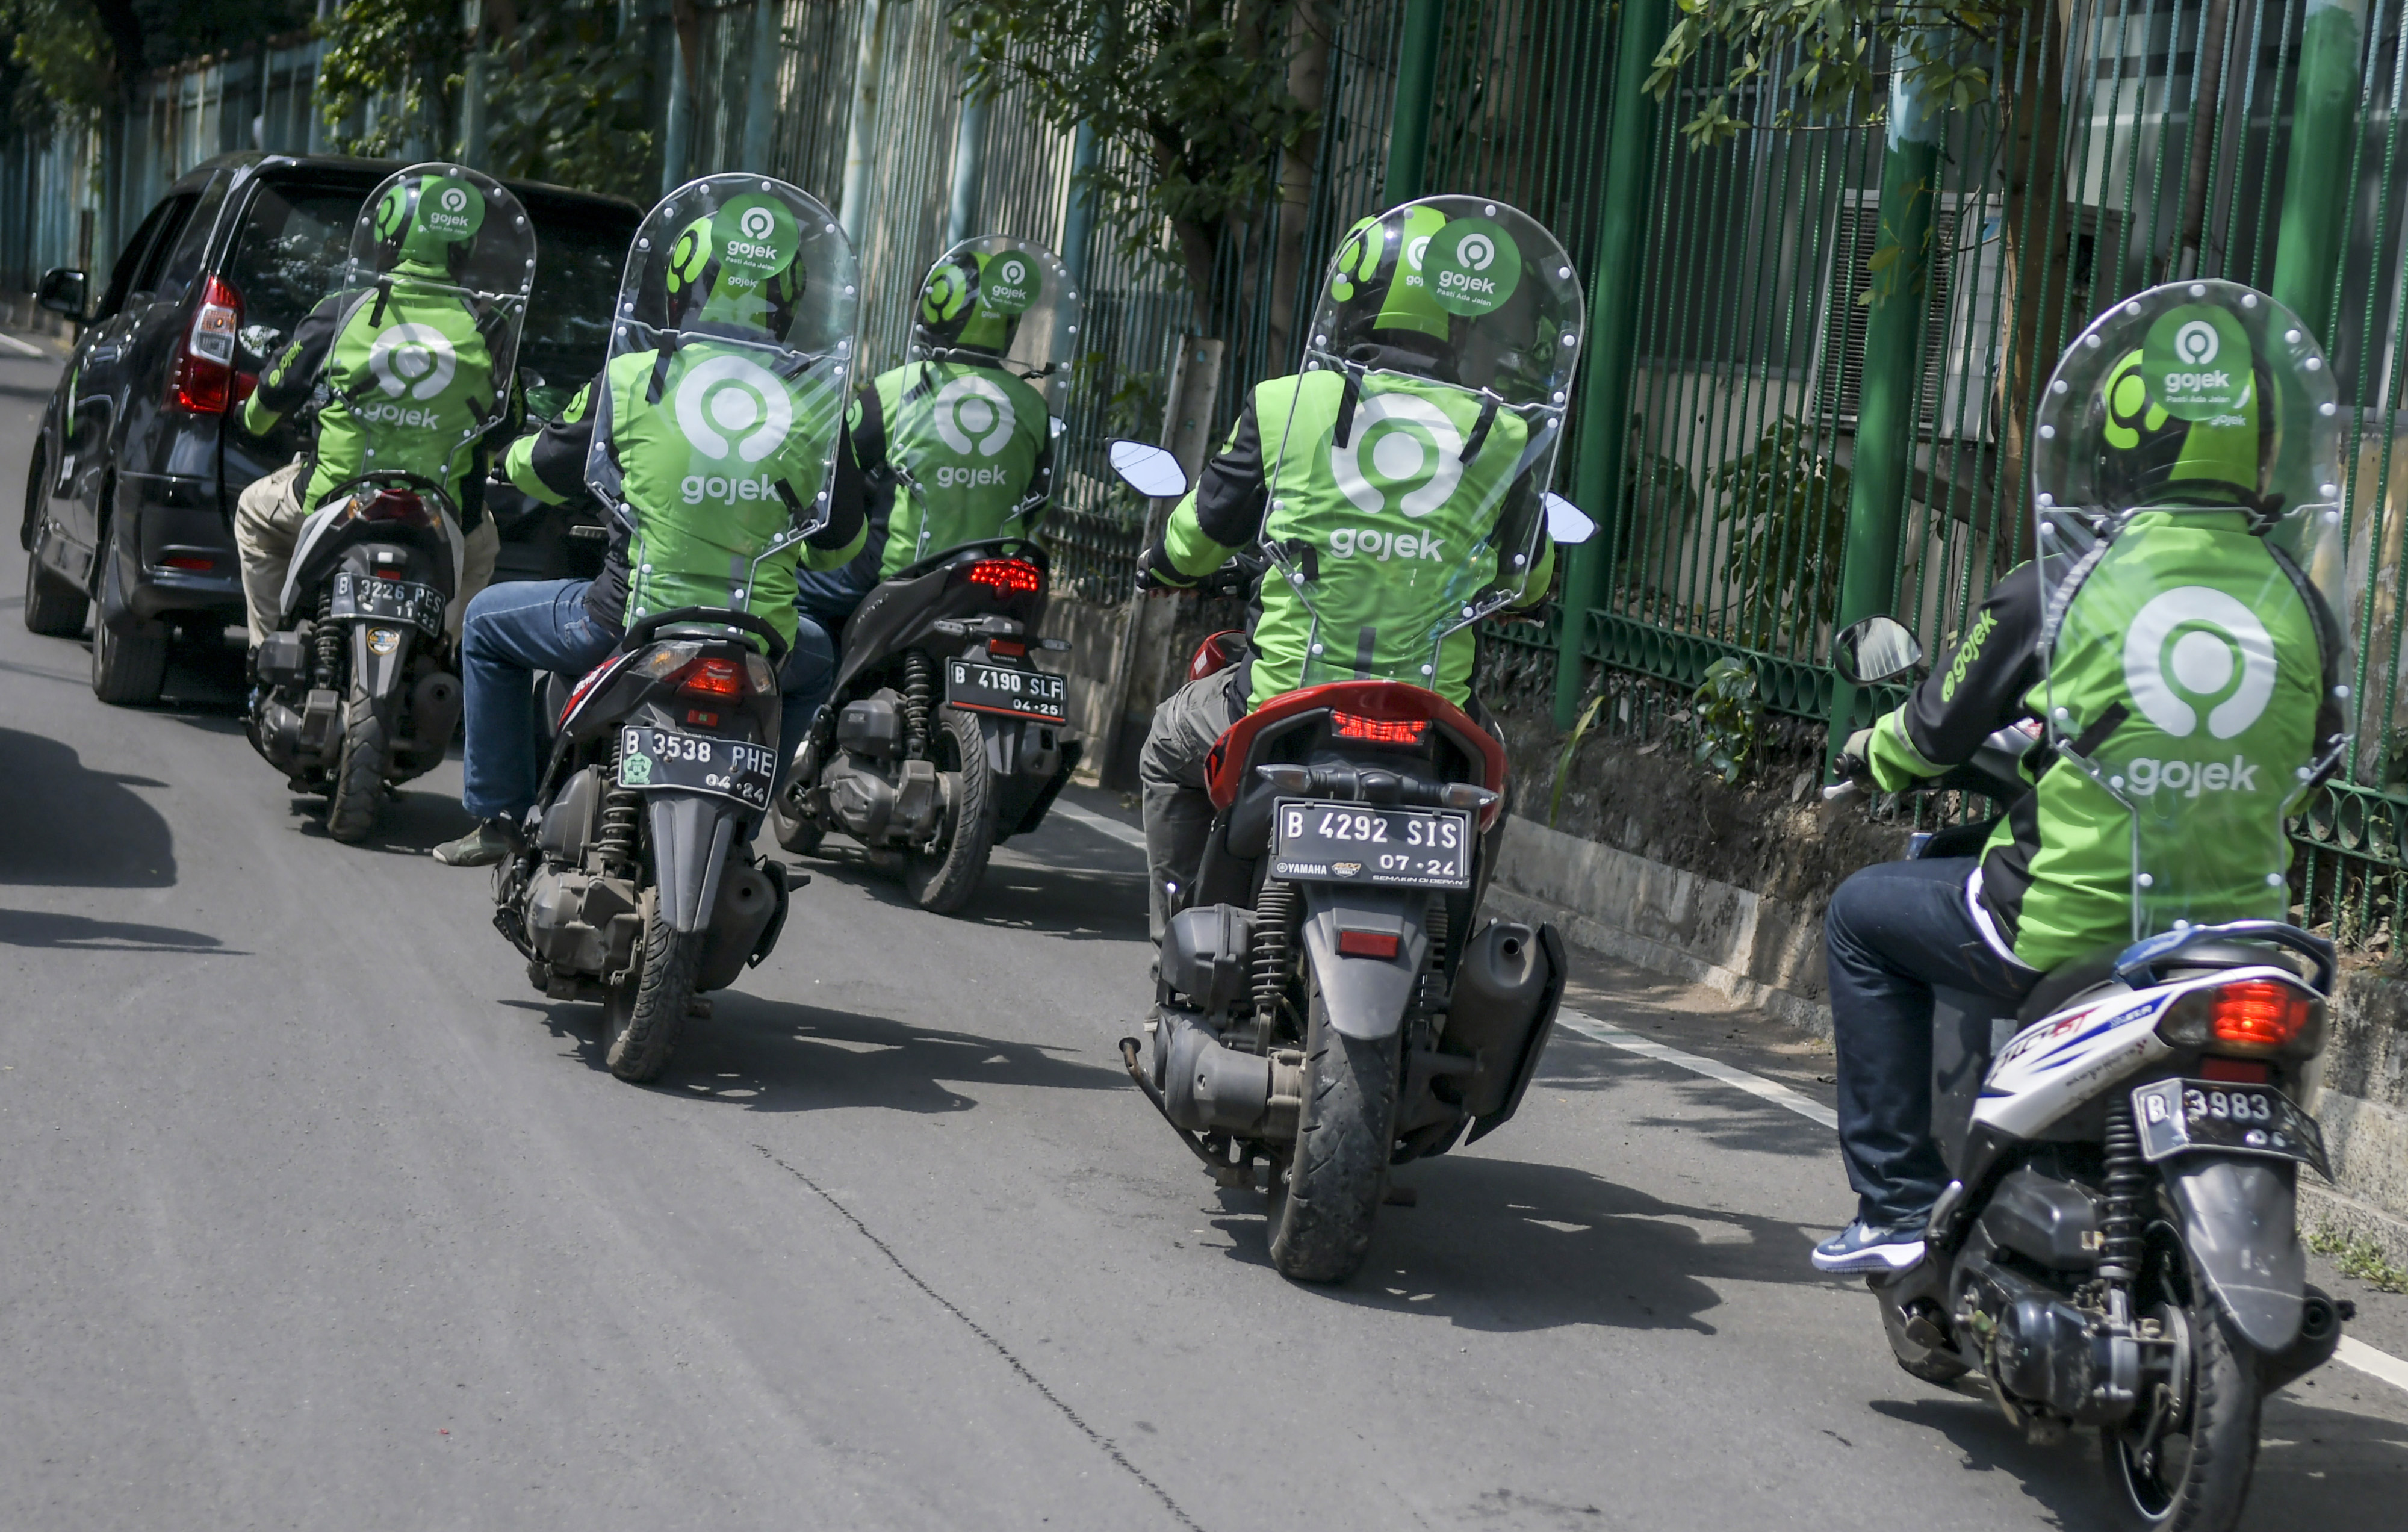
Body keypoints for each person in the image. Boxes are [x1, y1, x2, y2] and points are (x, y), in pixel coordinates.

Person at [1812, 281, 2349, 1274]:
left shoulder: (2061, 583)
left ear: (2122, 438)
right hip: (2237, 934)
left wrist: (1866, 755)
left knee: (1859, 915)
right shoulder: (2301, 602)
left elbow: (1931, 735)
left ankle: (1893, 1205)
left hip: (2066, 928)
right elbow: (2309, 773)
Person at [1134, 203, 1567, 943]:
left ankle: (1179, 939)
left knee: (1166, 745)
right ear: (1461, 319)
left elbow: (1202, 533)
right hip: (1430, 717)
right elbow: (1526, 579)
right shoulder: (1504, 435)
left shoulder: (1285, 404)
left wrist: (1164, 565)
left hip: (1281, 700)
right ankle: (1450, 954)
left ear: (1352, 299)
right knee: (1491, 786)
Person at [433, 188, 865, 867]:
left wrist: (510, 458)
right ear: (790, 295)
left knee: (485, 624)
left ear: (682, 282)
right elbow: (844, 544)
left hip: (625, 620)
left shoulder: (633, 378)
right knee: (815, 665)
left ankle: (498, 816)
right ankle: (747, 824)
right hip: (763, 637)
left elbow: (542, 470)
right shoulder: (815, 402)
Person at [235, 167, 514, 653]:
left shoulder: (343, 310)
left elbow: (271, 399)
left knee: (253, 515)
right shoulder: (491, 329)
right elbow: (504, 425)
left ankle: (266, 649)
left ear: (385, 239)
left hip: (334, 497)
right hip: (443, 511)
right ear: (462, 250)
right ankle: (445, 652)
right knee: (483, 545)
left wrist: (252, 419)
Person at [790, 242, 1056, 648]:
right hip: (996, 574)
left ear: (936, 312)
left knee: (801, 591)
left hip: (901, 573)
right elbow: (1040, 501)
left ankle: (825, 694)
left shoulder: (894, 390)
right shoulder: (1034, 406)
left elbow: (835, 472)